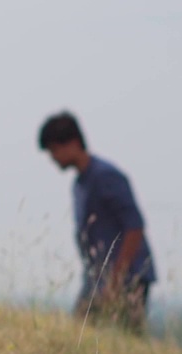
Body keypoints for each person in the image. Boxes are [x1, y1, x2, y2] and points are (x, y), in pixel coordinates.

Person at [39, 111, 156, 334]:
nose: (53, 158)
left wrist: (116, 281)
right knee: (79, 339)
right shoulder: (80, 183)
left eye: (54, 150)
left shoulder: (106, 176)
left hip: (126, 278)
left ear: (73, 143)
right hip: (96, 279)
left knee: (127, 345)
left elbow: (135, 227)